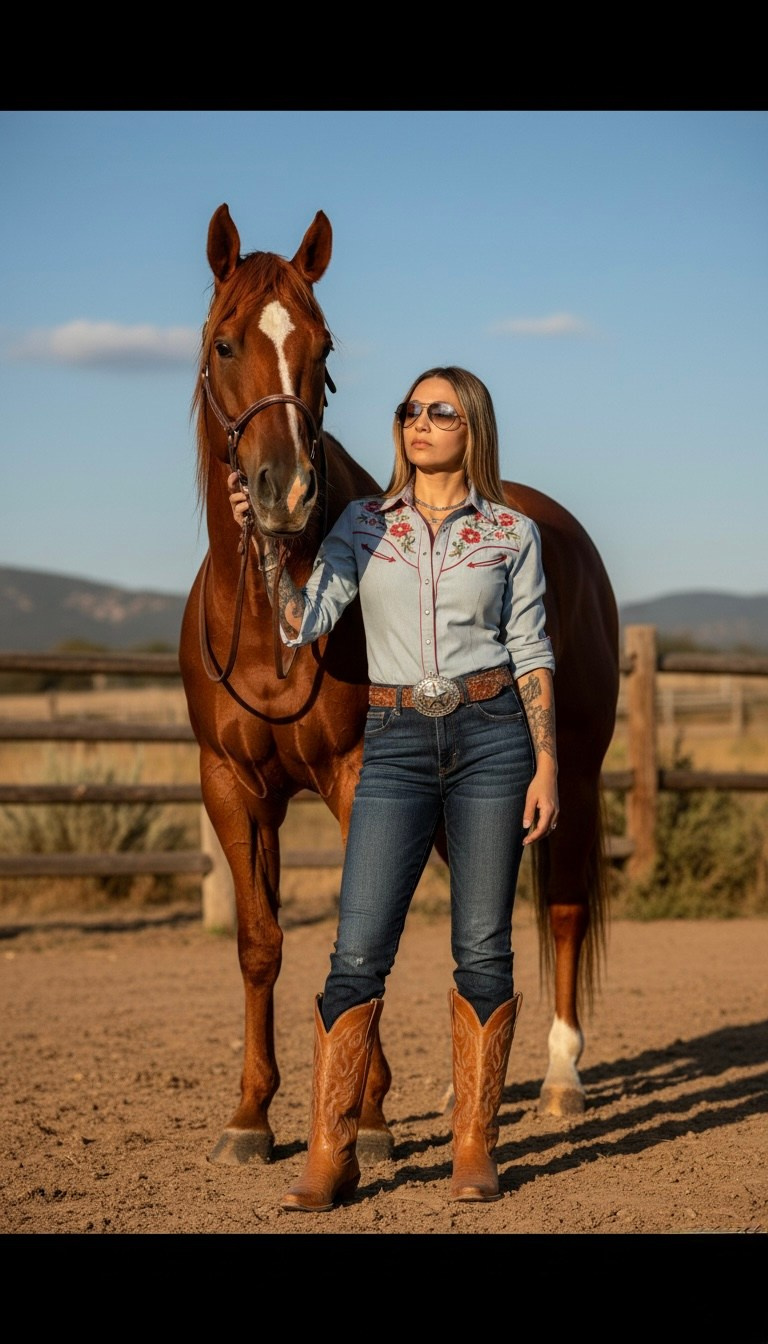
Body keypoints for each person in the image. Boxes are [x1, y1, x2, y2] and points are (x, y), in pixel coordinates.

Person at [228, 365, 559, 1212]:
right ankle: (331, 1152)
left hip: (493, 738)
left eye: (440, 411)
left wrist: (547, 763)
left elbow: (531, 650)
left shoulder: (513, 533)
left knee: (483, 946)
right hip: (396, 740)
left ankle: (473, 1144)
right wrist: (266, 546)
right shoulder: (363, 524)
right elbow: (304, 621)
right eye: (410, 409)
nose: (419, 421)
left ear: (473, 427)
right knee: (358, 949)